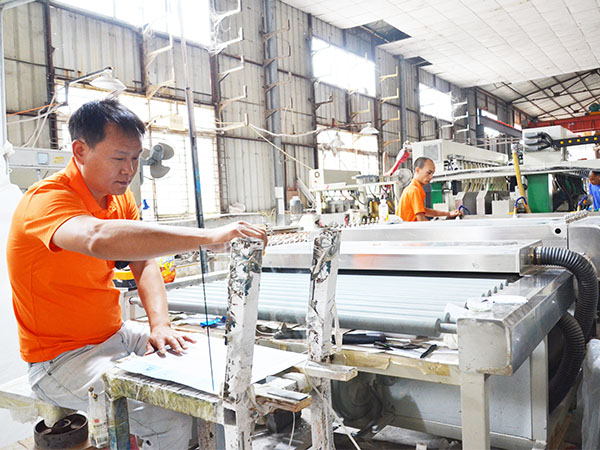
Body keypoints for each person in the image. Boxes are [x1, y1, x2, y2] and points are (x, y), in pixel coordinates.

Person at [7, 99, 267, 449]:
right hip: (60, 360)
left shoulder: (119, 198)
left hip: (116, 335)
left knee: (213, 378)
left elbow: (143, 262)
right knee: (170, 419)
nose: (129, 169)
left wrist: (160, 325)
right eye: (119, 158)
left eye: (135, 158)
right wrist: (208, 237)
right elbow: (97, 238)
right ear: (80, 150)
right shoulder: (46, 200)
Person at [397, 156, 461, 222]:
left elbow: (424, 210)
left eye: (432, 173)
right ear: (417, 170)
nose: (431, 177)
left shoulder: (414, 188)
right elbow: (421, 220)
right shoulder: (414, 190)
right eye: (429, 173)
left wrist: (448, 214)